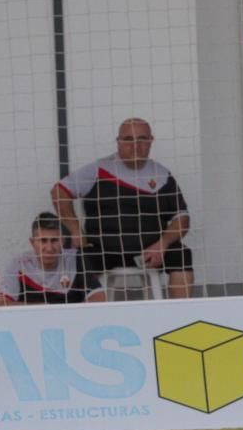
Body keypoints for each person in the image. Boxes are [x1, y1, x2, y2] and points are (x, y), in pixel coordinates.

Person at [51, 117, 195, 299]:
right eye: (128, 139)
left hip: (150, 251)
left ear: (151, 141)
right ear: (118, 141)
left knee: (182, 255)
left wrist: (163, 244)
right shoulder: (98, 169)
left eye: (142, 139)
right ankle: (89, 321)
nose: (135, 145)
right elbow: (59, 192)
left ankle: (179, 320)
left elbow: (181, 218)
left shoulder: (162, 175)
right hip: (103, 248)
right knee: (75, 260)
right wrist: (74, 229)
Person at [0, 212, 106, 306]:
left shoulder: (76, 259)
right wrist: (47, 311)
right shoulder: (18, 264)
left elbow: (99, 298)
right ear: (33, 243)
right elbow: (1, 304)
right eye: (43, 241)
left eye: (54, 240)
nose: (49, 248)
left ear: (62, 241)